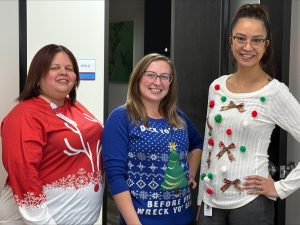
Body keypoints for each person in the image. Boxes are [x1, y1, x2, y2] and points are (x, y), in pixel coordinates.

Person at [197, 3, 300, 225]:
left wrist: (280, 188)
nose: (248, 47)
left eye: (256, 40)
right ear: (231, 40)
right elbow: (209, 144)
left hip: (251, 205)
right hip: (211, 202)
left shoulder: (274, 92)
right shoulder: (217, 87)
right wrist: (200, 200)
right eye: (241, 38)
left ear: (266, 45)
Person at [0, 44, 104, 225]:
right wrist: (41, 221)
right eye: (54, 68)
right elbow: (23, 173)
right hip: (39, 220)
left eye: (69, 68)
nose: (63, 72)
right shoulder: (24, 115)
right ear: (38, 76)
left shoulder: (74, 106)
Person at [102, 53, 203, 225]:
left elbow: (197, 143)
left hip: (184, 218)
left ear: (170, 82)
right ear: (138, 77)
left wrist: (190, 175)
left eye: (165, 77)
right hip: (143, 221)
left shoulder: (178, 117)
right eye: (151, 75)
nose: (158, 82)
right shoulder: (122, 117)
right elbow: (115, 176)